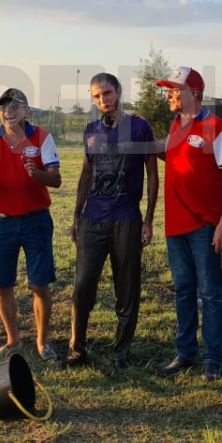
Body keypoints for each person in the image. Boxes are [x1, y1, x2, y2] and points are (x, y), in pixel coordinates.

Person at [67, 72, 158, 372]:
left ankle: (121, 353)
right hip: (93, 218)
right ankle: (76, 349)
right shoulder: (91, 130)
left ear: (118, 92)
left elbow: (153, 174)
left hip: (126, 219)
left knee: (127, 288)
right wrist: (76, 214)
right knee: (82, 286)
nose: (102, 100)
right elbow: (86, 173)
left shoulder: (140, 127)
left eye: (107, 93)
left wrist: (149, 219)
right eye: (96, 96)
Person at [156, 66, 222, 382]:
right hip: (175, 226)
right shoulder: (175, 124)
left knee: (210, 293)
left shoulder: (215, 128)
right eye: (168, 89)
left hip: (204, 226)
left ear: (194, 93)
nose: (169, 94)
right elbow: (177, 158)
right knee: (183, 291)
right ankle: (186, 352)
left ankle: (213, 358)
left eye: (175, 89)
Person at [0, 88, 62, 361]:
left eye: (14, 105)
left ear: (27, 111)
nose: (7, 111)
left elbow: (55, 179)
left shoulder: (43, 137)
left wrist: (37, 175)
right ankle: (13, 341)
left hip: (36, 220)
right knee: (2, 284)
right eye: (2, 107)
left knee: (40, 285)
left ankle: (42, 342)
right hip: (2, 222)